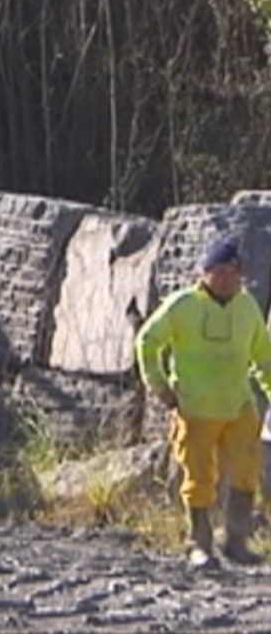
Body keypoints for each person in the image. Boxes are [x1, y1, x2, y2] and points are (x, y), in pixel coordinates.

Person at [136, 235, 271, 568]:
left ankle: (235, 541)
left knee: (246, 472)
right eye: (219, 271)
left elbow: (265, 358)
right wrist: (160, 387)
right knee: (198, 477)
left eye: (232, 271)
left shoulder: (247, 306)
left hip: (239, 407)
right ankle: (200, 544)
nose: (226, 278)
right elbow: (147, 342)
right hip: (195, 408)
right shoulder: (183, 305)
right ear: (205, 272)